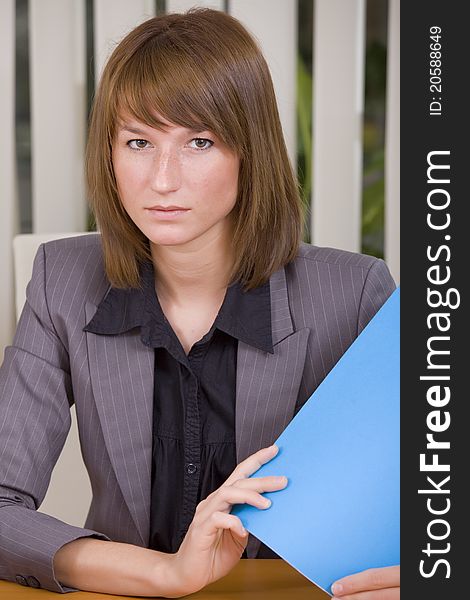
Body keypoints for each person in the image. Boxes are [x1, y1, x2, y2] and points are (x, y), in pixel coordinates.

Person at [0, 8, 399, 599]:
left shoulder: (355, 294)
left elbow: (433, 502)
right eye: (139, 141)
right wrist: (167, 573)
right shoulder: (62, 280)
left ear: (249, 151)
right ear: (109, 155)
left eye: (199, 142)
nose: (163, 179)